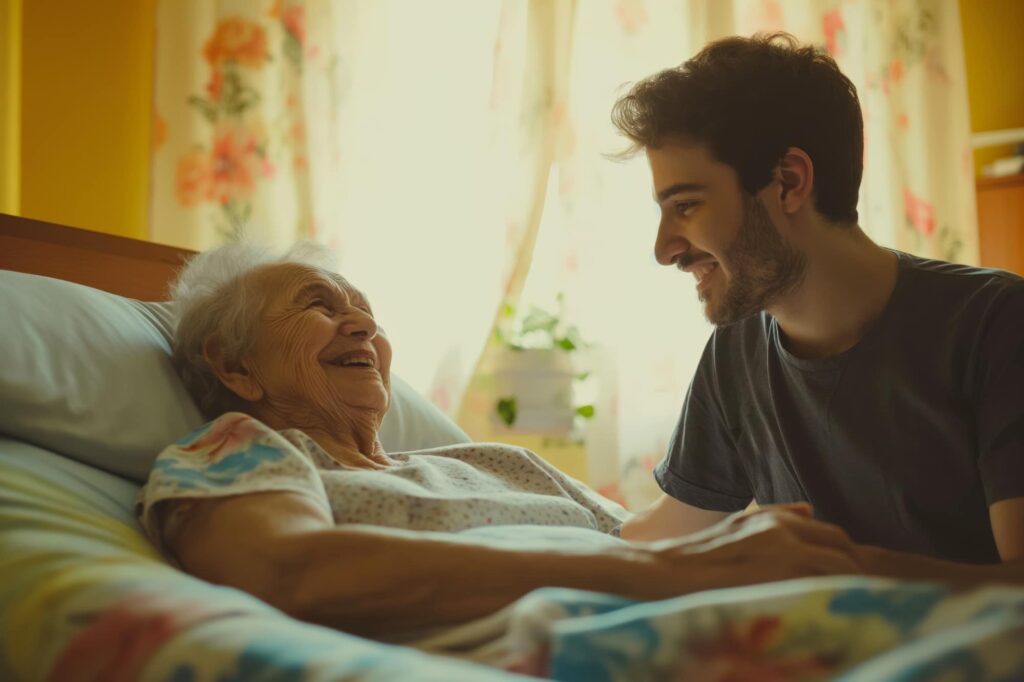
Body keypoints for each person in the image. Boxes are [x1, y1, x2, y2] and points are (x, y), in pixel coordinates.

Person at [137, 241, 862, 639]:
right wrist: (678, 578)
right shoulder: (242, 449)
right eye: (318, 309)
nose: (362, 328)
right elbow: (291, 572)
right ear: (235, 367)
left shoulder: (497, 460)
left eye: (367, 314)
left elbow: (646, 543)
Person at [613, 33, 1024, 581]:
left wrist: (828, 568)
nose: (665, 249)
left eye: (685, 205)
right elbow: (667, 533)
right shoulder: (735, 351)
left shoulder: (997, 324)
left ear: (788, 182)